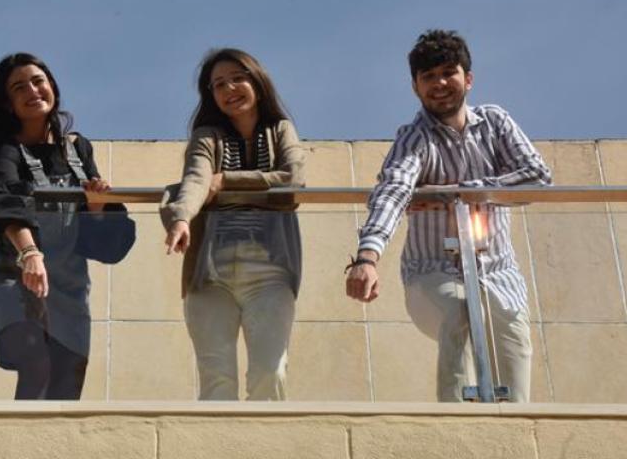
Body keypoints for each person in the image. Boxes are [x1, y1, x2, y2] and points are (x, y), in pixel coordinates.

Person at [345, 29, 551, 402]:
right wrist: (367, 258)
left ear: (468, 79)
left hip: (499, 274)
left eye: (447, 72)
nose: (439, 83)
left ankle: (512, 439)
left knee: (515, 346)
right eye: (428, 77)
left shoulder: (495, 123)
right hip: (432, 273)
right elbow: (393, 191)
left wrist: (467, 189)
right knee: (458, 312)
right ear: (415, 87)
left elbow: (538, 177)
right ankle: (457, 427)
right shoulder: (415, 138)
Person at [0, 53, 133, 400]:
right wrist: (29, 252)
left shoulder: (77, 148)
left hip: (69, 288)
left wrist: (97, 206)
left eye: (38, 81)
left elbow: (102, 238)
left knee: (66, 387)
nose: (32, 91)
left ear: (53, 87)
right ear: (8, 103)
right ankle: (16, 450)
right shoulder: (9, 150)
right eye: (19, 87)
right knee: (35, 361)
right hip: (18, 277)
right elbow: (5, 200)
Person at [161, 48, 305, 400]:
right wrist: (181, 219)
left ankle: (264, 453)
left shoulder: (280, 129)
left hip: (269, 270)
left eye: (238, 78)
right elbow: (197, 178)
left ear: (257, 81)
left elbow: (293, 181)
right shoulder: (207, 136)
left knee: (270, 374)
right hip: (210, 272)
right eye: (218, 84)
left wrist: (226, 182)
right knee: (216, 380)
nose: (229, 89)